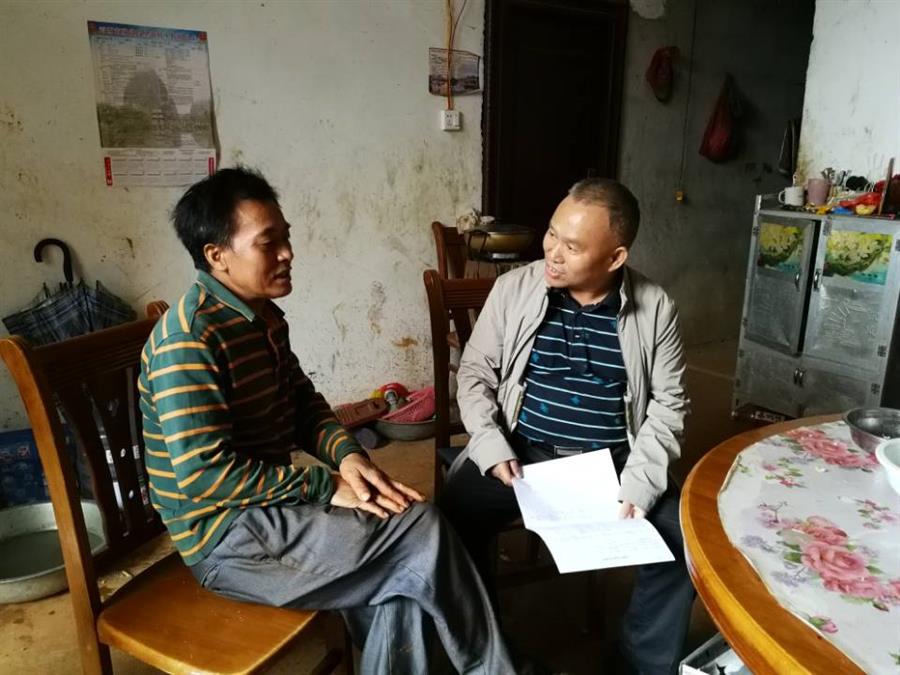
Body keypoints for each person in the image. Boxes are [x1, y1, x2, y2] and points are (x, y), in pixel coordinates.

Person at [138, 166, 513, 675]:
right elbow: (206, 476)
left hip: (268, 509)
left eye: (286, 237)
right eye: (269, 243)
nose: (287, 253)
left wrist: (349, 457)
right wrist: (326, 484)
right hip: (227, 538)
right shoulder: (189, 341)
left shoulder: (262, 317)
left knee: (401, 578)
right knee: (421, 529)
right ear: (217, 255)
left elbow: (303, 405)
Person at [438, 178, 695, 675]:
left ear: (615, 257)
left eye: (572, 247)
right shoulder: (514, 290)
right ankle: (492, 658)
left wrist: (641, 482)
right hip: (521, 454)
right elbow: (474, 374)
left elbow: (670, 405)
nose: (552, 253)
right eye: (552, 234)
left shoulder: (656, 307)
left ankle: (638, 664)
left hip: (614, 463)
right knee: (446, 524)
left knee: (683, 542)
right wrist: (490, 446)